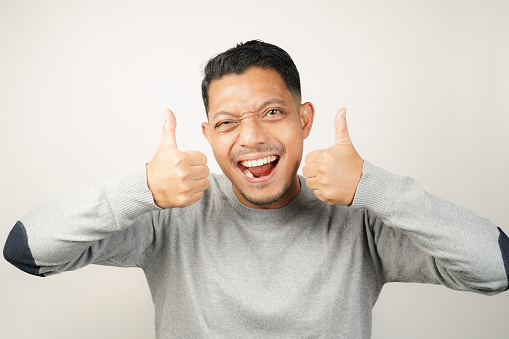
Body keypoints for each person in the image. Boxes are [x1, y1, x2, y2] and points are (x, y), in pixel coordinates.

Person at [3, 40, 509, 338]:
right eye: (227, 123)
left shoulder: (360, 219)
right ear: (208, 137)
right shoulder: (172, 214)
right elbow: (27, 249)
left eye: (272, 113)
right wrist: (141, 189)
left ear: (304, 119)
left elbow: (496, 268)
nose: (251, 138)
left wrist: (373, 186)